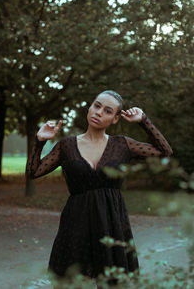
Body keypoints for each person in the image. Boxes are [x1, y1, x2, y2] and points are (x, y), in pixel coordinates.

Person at [25, 90, 173, 288]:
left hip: (111, 223)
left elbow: (165, 151)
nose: (99, 112)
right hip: (75, 224)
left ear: (115, 118)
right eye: (96, 105)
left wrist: (143, 120)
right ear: (90, 107)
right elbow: (33, 172)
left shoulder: (122, 145)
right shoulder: (66, 145)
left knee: (112, 283)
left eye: (107, 110)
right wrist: (40, 140)